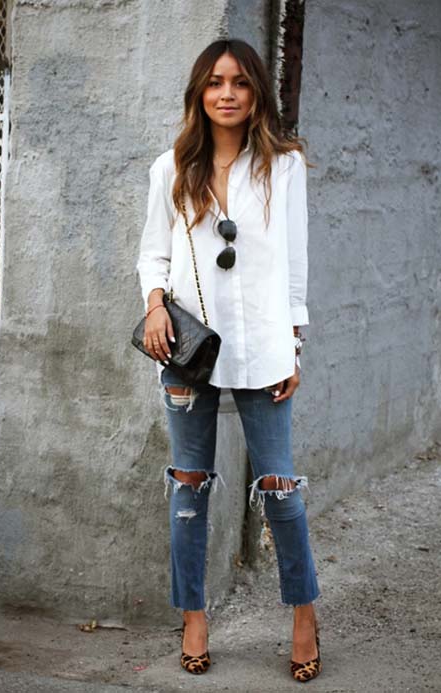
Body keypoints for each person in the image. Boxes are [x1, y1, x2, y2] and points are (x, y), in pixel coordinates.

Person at [136, 38, 322, 683]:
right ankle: (194, 617)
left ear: (256, 94)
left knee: (280, 490)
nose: (227, 93)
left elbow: (295, 264)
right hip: (188, 353)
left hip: (264, 347)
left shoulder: (283, 167)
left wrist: (293, 346)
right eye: (215, 82)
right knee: (188, 489)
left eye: (240, 82)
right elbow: (152, 254)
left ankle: (303, 613)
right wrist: (154, 306)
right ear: (200, 91)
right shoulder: (171, 168)